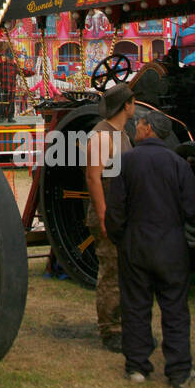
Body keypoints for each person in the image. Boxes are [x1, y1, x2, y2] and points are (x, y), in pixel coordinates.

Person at [105, 108, 195, 388]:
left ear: (148, 129)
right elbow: (192, 209)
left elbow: (116, 210)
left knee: (135, 307)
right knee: (175, 309)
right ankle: (180, 370)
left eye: (139, 125)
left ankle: (137, 366)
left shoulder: (126, 162)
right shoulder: (179, 164)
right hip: (171, 245)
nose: (135, 128)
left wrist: (120, 239)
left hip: (135, 243)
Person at [85, 82, 136, 352]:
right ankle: (110, 329)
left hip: (122, 212)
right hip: (109, 212)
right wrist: (104, 215)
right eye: (132, 101)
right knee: (111, 273)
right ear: (126, 105)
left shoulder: (122, 135)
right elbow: (93, 177)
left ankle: (123, 323)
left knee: (123, 271)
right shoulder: (102, 136)